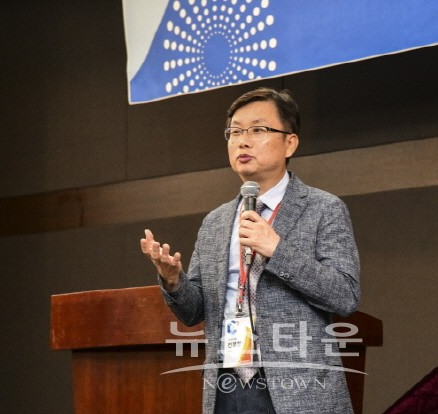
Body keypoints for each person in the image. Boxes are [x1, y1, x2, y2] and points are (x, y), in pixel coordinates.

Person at [140, 87, 360, 413]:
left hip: (300, 388)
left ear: (290, 143)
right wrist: (173, 280)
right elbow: (193, 311)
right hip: (227, 384)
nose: (243, 141)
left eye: (258, 130)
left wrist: (277, 250)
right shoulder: (215, 222)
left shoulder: (323, 208)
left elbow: (345, 295)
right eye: (235, 132)